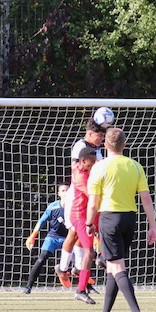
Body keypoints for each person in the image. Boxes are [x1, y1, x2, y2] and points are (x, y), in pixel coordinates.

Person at [86, 127, 156, 312]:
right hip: (129, 219)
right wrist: (152, 226)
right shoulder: (135, 166)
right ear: (124, 145)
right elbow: (146, 200)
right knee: (112, 267)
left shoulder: (99, 167)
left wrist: (89, 223)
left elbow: (93, 203)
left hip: (109, 219)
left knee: (117, 267)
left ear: (104, 145)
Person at [57, 118, 107, 286]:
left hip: (89, 195)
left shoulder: (97, 149)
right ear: (90, 133)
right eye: (100, 136)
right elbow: (77, 172)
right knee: (74, 232)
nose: (101, 139)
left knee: (84, 233)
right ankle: (62, 268)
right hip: (77, 196)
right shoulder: (80, 146)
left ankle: (79, 269)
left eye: (103, 136)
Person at [22, 183, 70, 294]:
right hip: (53, 237)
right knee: (41, 258)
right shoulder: (53, 207)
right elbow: (42, 221)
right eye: (63, 191)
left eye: (68, 190)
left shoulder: (75, 207)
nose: (65, 193)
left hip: (68, 239)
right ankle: (28, 286)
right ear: (58, 194)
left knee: (79, 260)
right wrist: (33, 235)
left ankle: (87, 287)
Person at [69, 147, 99, 304]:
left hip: (90, 213)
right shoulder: (80, 176)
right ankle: (80, 289)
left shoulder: (84, 169)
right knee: (89, 252)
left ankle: (102, 257)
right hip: (80, 216)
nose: (94, 165)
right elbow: (92, 195)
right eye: (91, 162)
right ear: (83, 161)